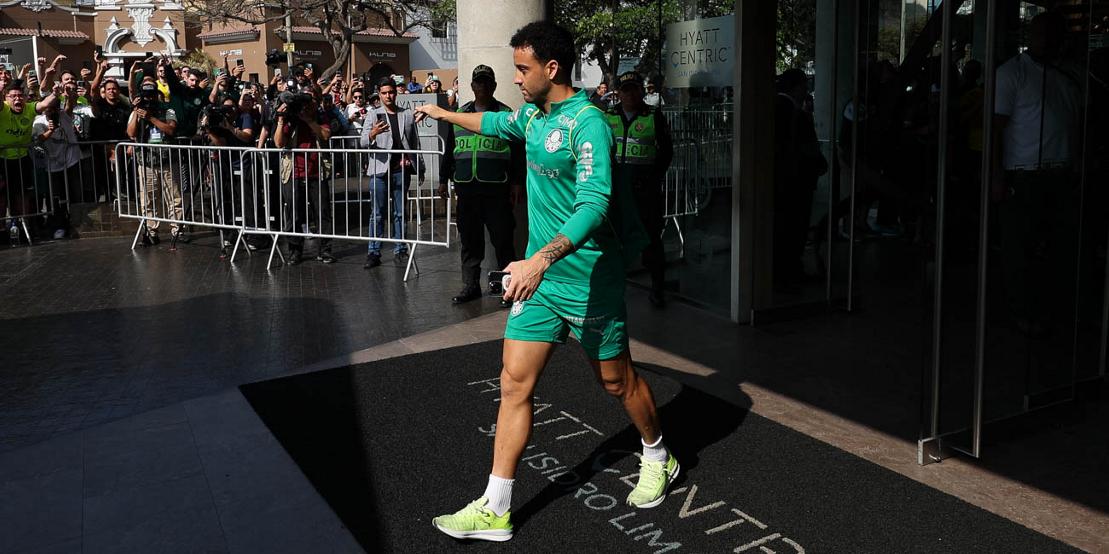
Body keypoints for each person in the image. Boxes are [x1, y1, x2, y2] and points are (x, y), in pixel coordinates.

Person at [415, 21, 675, 543]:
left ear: (551, 69)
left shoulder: (589, 124)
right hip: (540, 282)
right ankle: (497, 506)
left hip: (587, 280)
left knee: (616, 382)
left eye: (522, 69)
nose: (515, 79)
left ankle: (657, 453)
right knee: (513, 383)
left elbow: (594, 204)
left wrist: (540, 259)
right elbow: (492, 124)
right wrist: (443, 113)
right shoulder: (532, 116)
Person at [993, 11, 1083, 336]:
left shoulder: (1069, 75)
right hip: (1025, 174)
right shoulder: (1013, 73)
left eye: (1056, 35)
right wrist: (998, 176)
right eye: (1043, 35)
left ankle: (1051, 310)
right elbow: (995, 130)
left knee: (1061, 249)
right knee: (1021, 248)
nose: (1050, 42)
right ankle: (1023, 310)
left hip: (1061, 173)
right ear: (1030, 37)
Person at [438, 64, 523, 306]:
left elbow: (518, 154)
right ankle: (471, 286)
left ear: (494, 86)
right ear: (472, 86)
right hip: (467, 189)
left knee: (502, 241)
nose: (482, 86)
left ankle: (505, 289)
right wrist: (443, 180)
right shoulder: (461, 114)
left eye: (487, 82)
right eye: (478, 82)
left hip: (497, 189)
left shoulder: (506, 115)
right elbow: (449, 152)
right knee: (470, 242)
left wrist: (517, 183)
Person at [605, 71, 674, 307]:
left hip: (645, 192)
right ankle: (611, 287)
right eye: (625, 90)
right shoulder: (608, 116)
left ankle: (657, 287)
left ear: (641, 92)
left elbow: (666, 152)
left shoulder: (654, 116)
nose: (630, 94)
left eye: (634, 89)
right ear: (619, 93)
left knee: (651, 239)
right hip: (616, 191)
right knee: (612, 240)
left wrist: (652, 179)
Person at [773, 68, 826, 288]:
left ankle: (779, 271)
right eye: (805, 85)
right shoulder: (798, 115)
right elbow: (810, 150)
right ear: (796, 87)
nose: (807, 90)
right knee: (795, 228)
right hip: (797, 181)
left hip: (777, 180)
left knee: (780, 227)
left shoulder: (771, 108)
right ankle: (791, 273)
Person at [359, 76, 420, 269]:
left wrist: (419, 167)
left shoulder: (406, 115)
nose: (388, 96)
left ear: (396, 93)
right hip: (379, 170)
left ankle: (400, 249)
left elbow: (414, 143)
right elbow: (362, 142)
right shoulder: (372, 114)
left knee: (400, 212)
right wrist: (372, 134)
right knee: (377, 214)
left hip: (400, 170)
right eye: (384, 93)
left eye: (391, 92)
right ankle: (373, 252)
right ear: (379, 94)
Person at [274, 87, 334, 265]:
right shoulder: (291, 117)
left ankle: (325, 250)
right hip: (293, 172)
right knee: (294, 214)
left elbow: (325, 135)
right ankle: (295, 251)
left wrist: (308, 120)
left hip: (316, 172)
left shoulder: (320, 116)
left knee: (322, 213)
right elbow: (278, 143)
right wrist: (280, 120)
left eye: (310, 101)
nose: (306, 105)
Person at [127, 78, 181, 245]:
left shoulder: (167, 109)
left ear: (157, 94)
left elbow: (170, 129)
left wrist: (151, 118)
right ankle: (151, 232)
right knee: (148, 199)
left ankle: (177, 230)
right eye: (146, 95)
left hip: (166, 160)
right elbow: (130, 133)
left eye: (151, 95)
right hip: (146, 161)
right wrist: (136, 111)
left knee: (174, 198)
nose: (149, 99)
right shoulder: (138, 110)